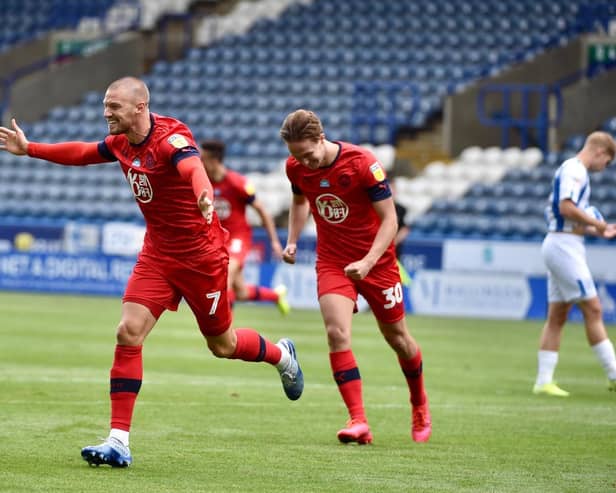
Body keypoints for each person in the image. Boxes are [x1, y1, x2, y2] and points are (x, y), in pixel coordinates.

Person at [0, 77, 303, 468]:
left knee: (222, 345)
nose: (107, 112)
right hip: (158, 254)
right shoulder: (121, 143)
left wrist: (203, 193)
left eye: (115, 106)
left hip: (202, 258)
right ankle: (118, 441)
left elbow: (192, 167)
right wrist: (31, 149)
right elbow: (81, 152)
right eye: (106, 105)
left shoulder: (170, 139)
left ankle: (282, 356)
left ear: (140, 107)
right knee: (128, 331)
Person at [279, 109, 431, 444]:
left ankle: (419, 402)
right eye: (296, 156)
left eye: (308, 154)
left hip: (377, 263)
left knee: (398, 338)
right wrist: (292, 240)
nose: (304, 162)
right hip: (332, 261)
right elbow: (300, 200)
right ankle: (358, 420)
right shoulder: (296, 167)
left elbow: (390, 221)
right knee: (336, 333)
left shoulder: (362, 163)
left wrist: (368, 261)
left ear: (322, 138)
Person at [534, 131, 616, 397]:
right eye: (607, 162)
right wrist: (597, 223)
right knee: (593, 308)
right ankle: (614, 374)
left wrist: (596, 229)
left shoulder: (574, 170)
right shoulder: (576, 170)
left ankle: (543, 381)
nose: (604, 168)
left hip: (564, 243)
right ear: (601, 152)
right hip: (563, 247)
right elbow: (566, 207)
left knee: (557, 315)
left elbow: (569, 215)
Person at [200, 139, 289, 315]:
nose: (200, 163)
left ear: (214, 160)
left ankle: (224, 333)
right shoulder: (204, 184)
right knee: (240, 291)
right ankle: (276, 296)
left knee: (224, 275)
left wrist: (275, 241)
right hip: (217, 241)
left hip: (237, 238)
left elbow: (262, 211)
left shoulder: (236, 183)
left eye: (203, 159)